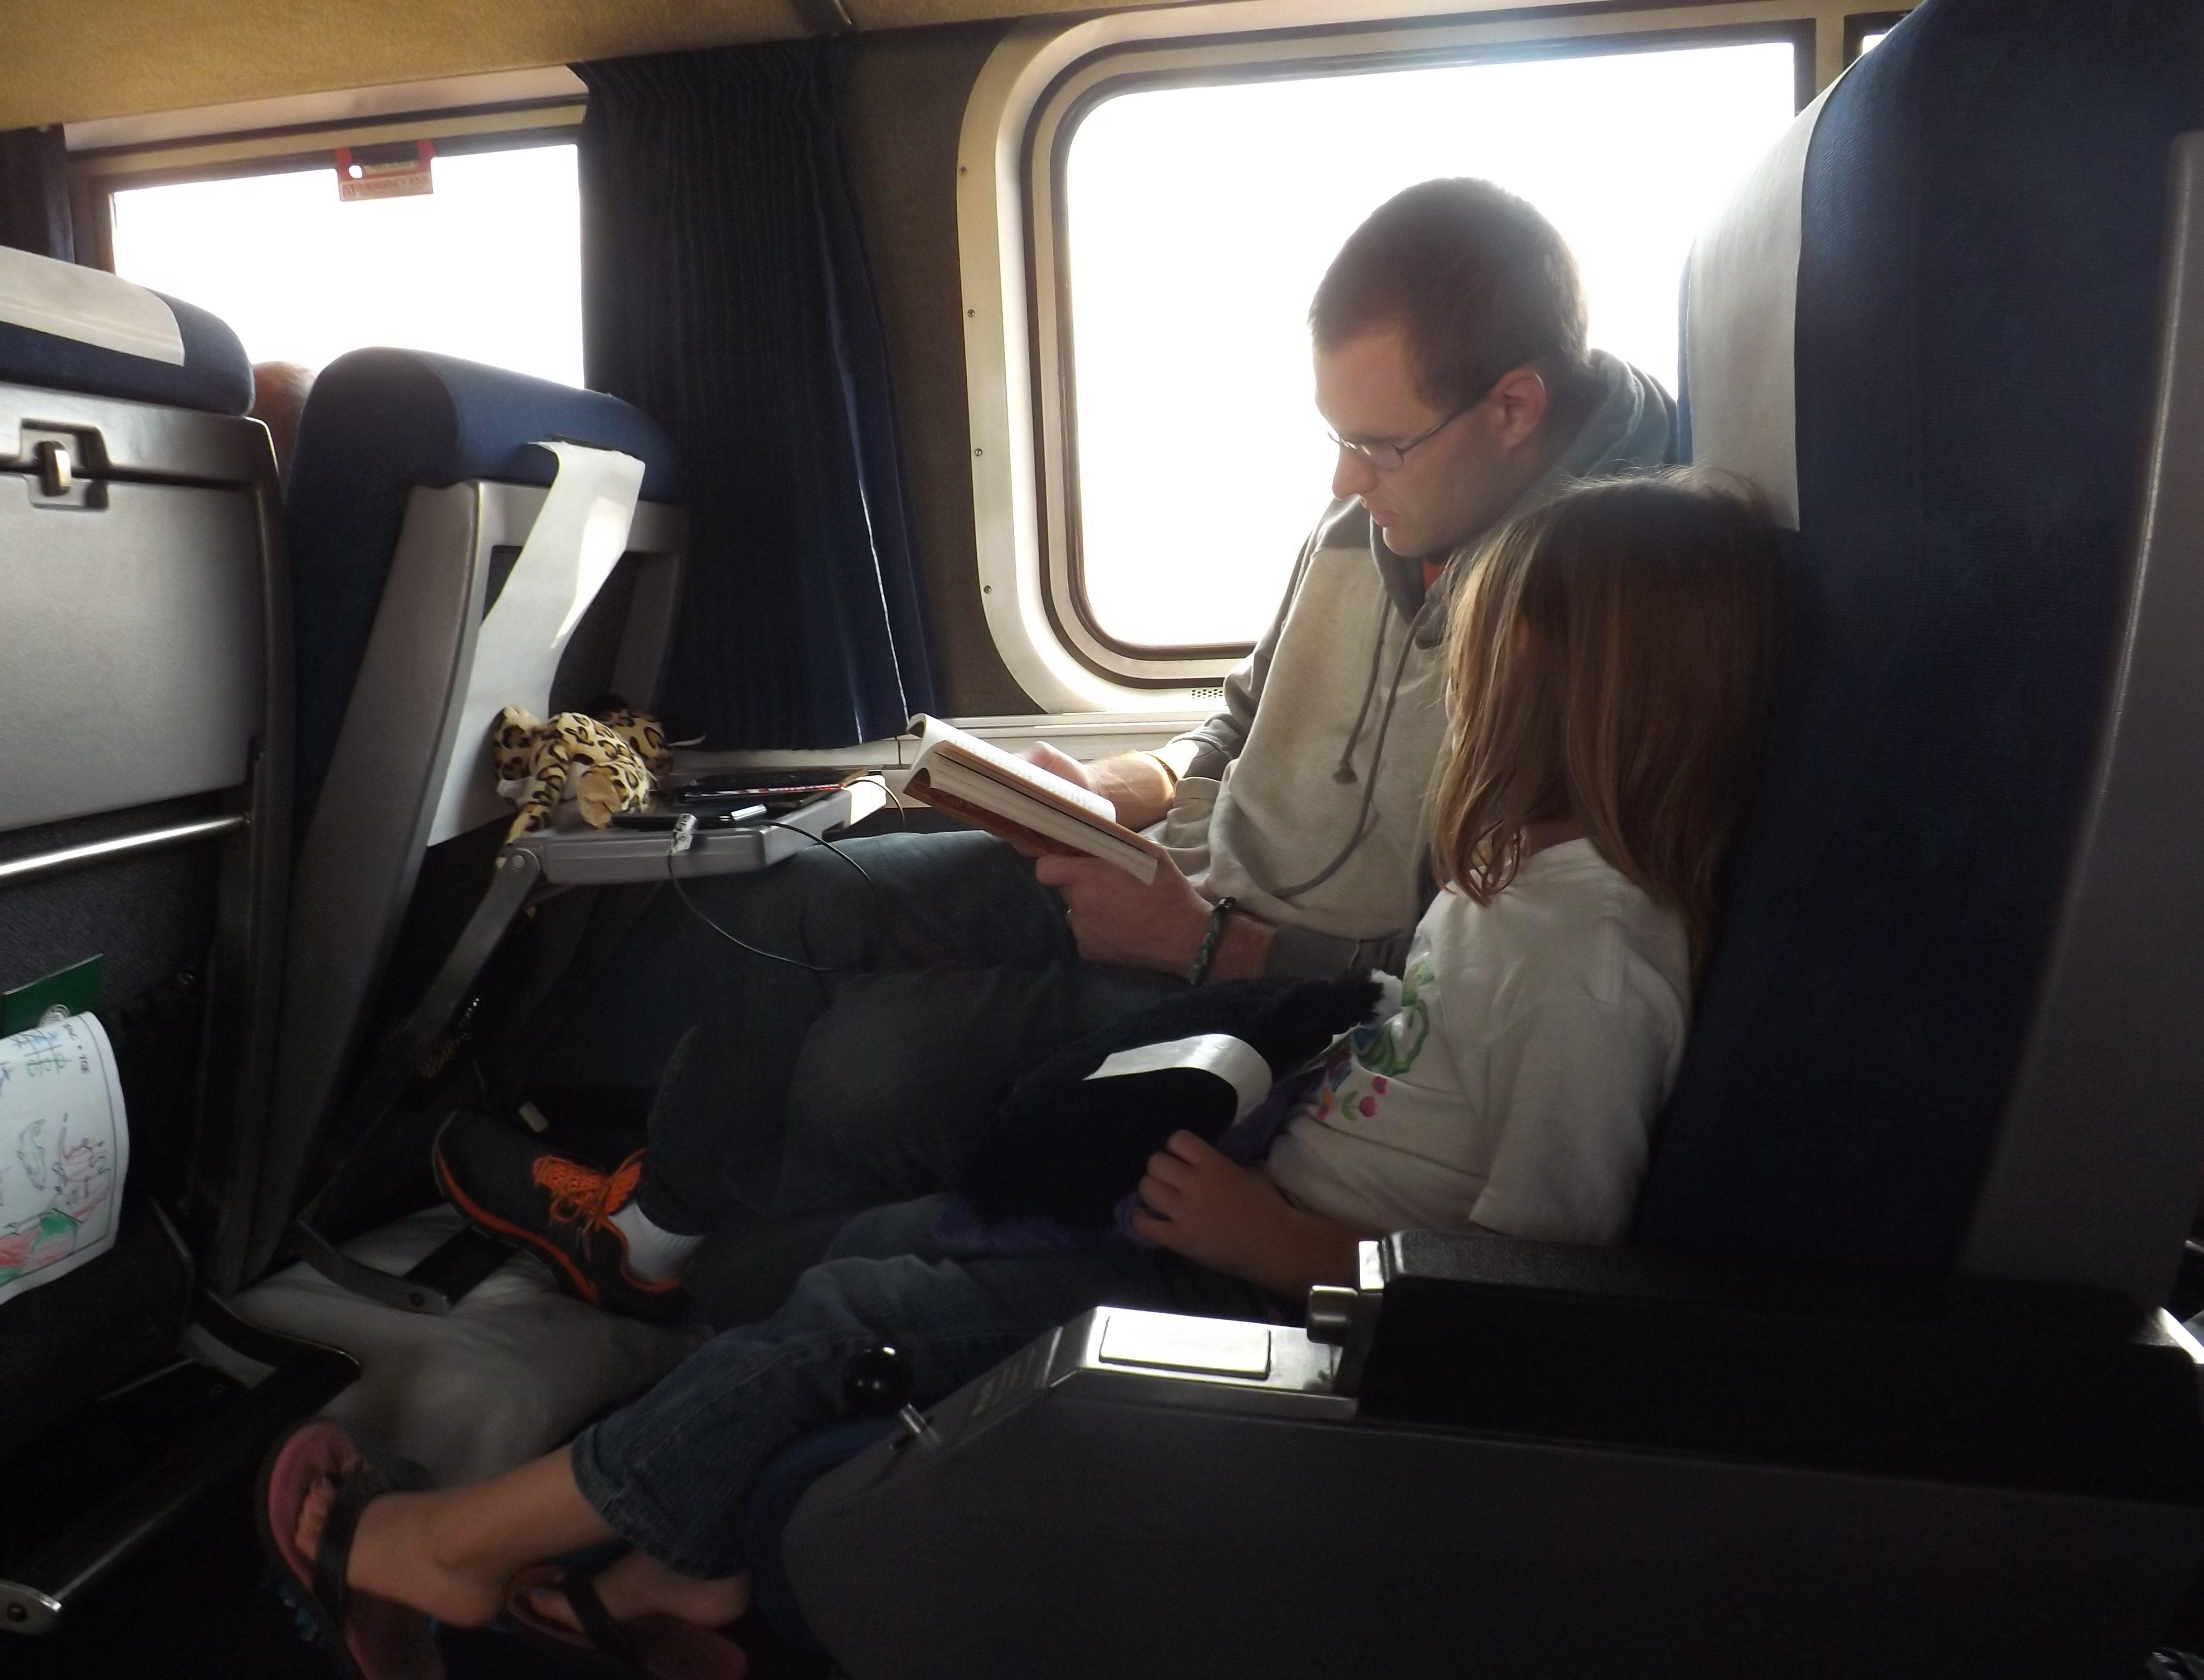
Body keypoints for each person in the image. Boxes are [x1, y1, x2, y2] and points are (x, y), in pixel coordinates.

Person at [265, 472, 1781, 1676]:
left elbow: (1526, 1298)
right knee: (855, 1239)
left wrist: (1277, 1243)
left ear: (1564, 696)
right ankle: (685, 1567)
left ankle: (448, 1553)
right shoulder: (1524, 885)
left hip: (1268, 1293)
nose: (1462, 708)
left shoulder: (1594, 958)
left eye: (1485, 671)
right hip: (1246, 1195)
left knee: (853, 1318)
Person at [433, 177, 1679, 1319]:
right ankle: (652, 1234)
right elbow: (1239, 718)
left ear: (1513, 406)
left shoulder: (1592, 612)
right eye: (1336, 437)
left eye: (1379, 444)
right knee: (799, 895)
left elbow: (1457, 971)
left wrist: (1202, 944)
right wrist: (1121, 787)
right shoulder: (1376, 511)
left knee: (865, 1072)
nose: (1344, 480)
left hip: (1281, 996)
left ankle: (735, 1268)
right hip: (1175, 871)